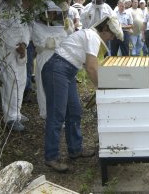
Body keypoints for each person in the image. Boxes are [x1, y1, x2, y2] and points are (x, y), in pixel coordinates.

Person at [42, 15, 123, 172]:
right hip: (57, 69)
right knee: (57, 114)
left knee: (74, 111)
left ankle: (75, 149)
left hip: (67, 70)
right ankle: (51, 157)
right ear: (105, 29)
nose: (111, 38)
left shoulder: (89, 36)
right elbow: (91, 68)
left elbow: (92, 65)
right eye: (111, 35)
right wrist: (102, 87)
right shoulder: (92, 36)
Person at [0, 0, 30, 132]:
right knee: (10, 82)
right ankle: (10, 117)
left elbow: (25, 28)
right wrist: (16, 45)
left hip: (20, 50)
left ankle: (17, 112)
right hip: (7, 52)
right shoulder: (0, 9)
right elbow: (2, 31)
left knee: (21, 82)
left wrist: (24, 44)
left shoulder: (18, 8)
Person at [31, 1, 68, 119]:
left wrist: (53, 41)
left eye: (53, 13)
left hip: (59, 58)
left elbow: (64, 39)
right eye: (49, 13)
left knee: (58, 86)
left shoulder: (58, 26)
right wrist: (55, 41)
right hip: (44, 58)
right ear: (42, 13)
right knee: (43, 86)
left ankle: (58, 113)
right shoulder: (36, 26)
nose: (51, 16)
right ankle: (46, 113)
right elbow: (43, 43)